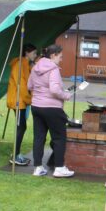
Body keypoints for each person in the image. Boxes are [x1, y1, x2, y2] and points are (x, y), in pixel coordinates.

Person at [28, 44, 75, 178]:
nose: (61, 59)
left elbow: (29, 85)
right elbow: (54, 90)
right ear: (53, 55)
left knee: (39, 137)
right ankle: (59, 168)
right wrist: (66, 95)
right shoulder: (53, 69)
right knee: (59, 138)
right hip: (52, 108)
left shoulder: (35, 67)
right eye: (60, 57)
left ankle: (38, 168)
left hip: (36, 107)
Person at [7, 43, 37, 166]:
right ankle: (15, 156)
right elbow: (22, 85)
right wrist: (30, 99)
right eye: (34, 53)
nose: (35, 55)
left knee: (22, 127)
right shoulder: (20, 64)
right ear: (27, 53)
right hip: (18, 101)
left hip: (22, 101)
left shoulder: (25, 64)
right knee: (21, 127)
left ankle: (17, 154)